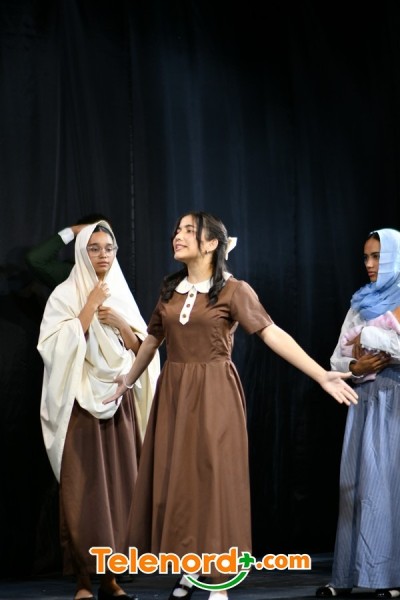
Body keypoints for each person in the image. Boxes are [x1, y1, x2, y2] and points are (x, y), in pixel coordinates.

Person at [103, 211, 358, 600]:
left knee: (214, 481)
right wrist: (128, 378)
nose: (177, 235)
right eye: (177, 229)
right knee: (181, 482)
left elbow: (271, 332)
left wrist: (320, 374)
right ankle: (190, 567)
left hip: (214, 393)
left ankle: (219, 577)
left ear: (211, 244)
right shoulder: (170, 289)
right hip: (174, 393)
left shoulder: (234, 290)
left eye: (189, 230)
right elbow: (153, 339)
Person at [37, 221, 160, 600]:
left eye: (109, 248)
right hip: (80, 406)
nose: (103, 255)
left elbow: (143, 351)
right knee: (82, 492)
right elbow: (52, 348)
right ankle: (81, 580)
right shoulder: (64, 294)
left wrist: (121, 323)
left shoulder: (121, 294)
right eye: (94, 248)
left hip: (118, 403)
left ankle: (111, 579)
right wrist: (89, 308)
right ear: (81, 252)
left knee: (121, 490)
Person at [316, 228, 400, 600]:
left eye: (377, 256)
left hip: (395, 399)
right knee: (354, 487)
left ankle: (389, 578)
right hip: (362, 398)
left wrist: (367, 338)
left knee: (387, 487)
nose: (369, 263)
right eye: (366, 256)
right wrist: (356, 364)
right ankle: (347, 575)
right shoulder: (361, 301)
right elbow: (336, 358)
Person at [26, 213, 108, 289]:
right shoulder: (71, 274)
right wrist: (74, 230)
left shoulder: (113, 273)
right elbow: (35, 259)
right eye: (95, 247)